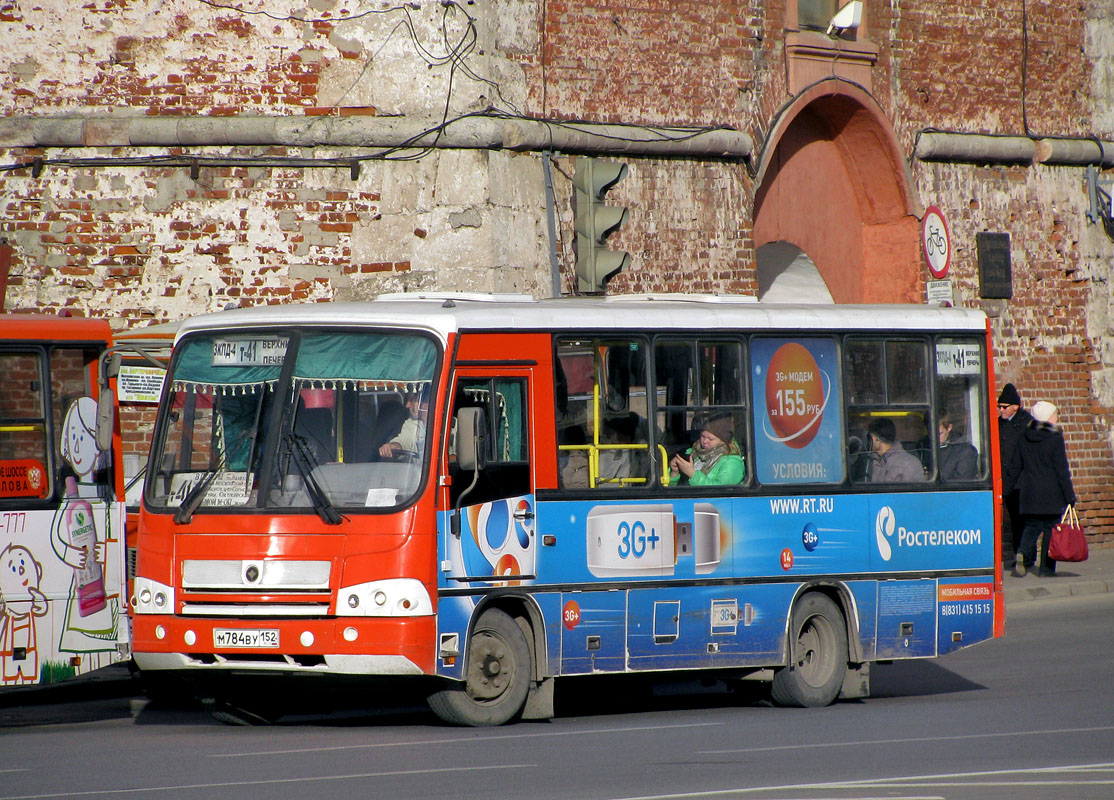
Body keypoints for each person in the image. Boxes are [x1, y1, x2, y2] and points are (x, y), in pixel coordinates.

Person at [1006, 400, 1076, 577]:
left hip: (1029, 491)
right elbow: (1061, 469)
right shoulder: (1054, 438)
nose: (1056, 418)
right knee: (1050, 530)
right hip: (1051, 492)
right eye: (1054, 415)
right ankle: (1046, 569)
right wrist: (1069, 495)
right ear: (1047, 418)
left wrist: (1005, 490)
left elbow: (1015, 466)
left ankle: (1022, 551)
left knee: (1032, 525)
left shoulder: (1023, 437)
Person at [997, 383, 1034, 561]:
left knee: (1025, 520)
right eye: (1000, 407)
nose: (1001, 411)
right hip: (1007, 480)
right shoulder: (1000, 425)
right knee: (1014, 520)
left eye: (1004, 407)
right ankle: (1018, 554)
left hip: (1023, 481)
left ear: (1015, 407)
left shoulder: (1026, 423)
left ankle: (1026, 555)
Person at [667, 413, 745, 486]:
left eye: (710, 439)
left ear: (723, 441)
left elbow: (720, 491)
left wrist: (692, 474)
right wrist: (674, 472)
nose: (704, 441)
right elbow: (672, 490)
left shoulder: (732, 463)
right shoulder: (693, 452)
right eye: (702, 436)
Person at [867, 417, 925, 482]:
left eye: (869, 437)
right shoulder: (869, 461)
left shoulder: (909, 464)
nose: (867, 440)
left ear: (877, 439)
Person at [378, 390, 428, 459]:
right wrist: (393, 446)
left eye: (411, 401)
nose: (407, 405)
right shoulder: (411, 424)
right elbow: (403, 442)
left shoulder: (445, 425)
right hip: (420, 469)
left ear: (425, 405)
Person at [937, 409, 978, 480]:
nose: (935, 438)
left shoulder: (965, 451)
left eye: (940, 434)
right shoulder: (923, 446)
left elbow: (963, 482)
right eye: (931, 434)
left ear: (949, 427)